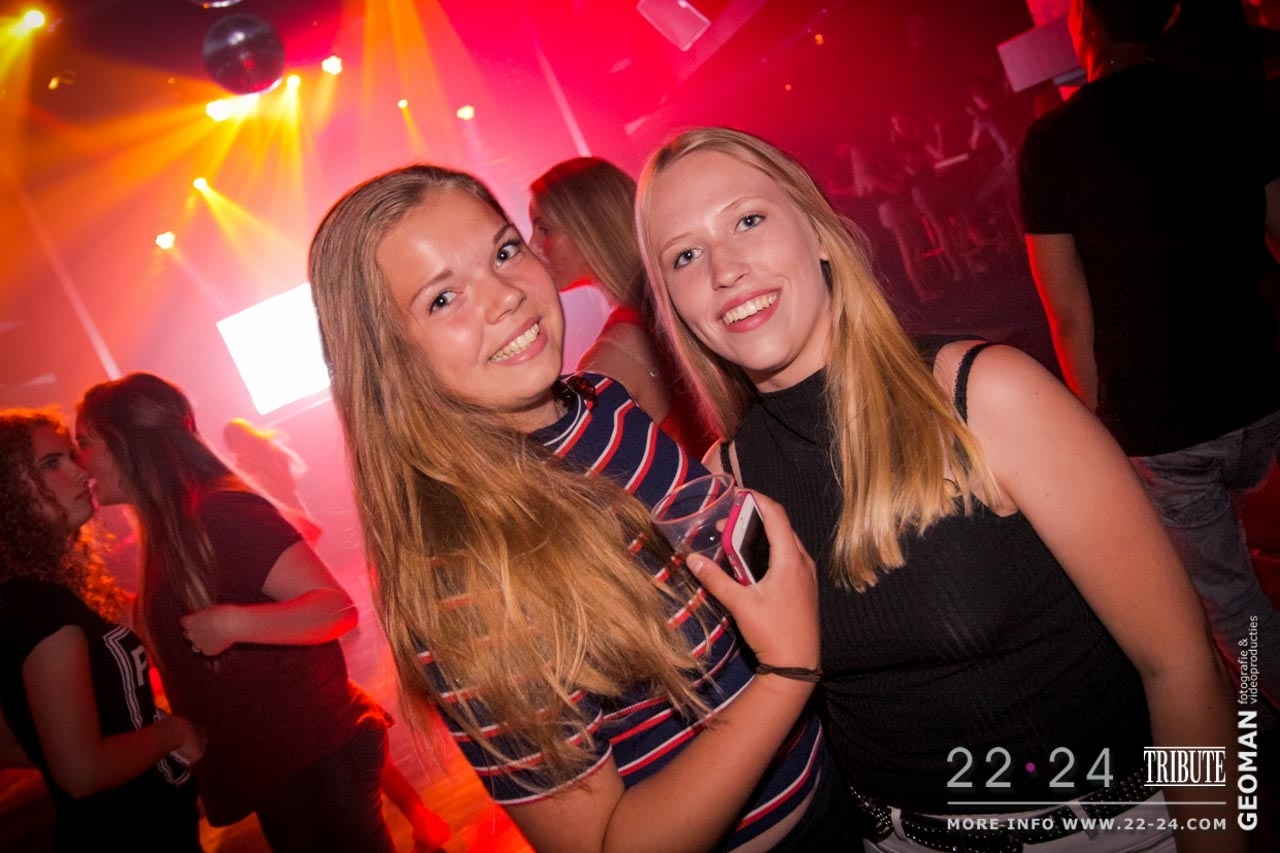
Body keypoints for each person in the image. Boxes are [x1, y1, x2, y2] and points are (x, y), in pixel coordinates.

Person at [637, 126, 1241, 853]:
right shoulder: (727, 486)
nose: (725, 270)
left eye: (748, 220)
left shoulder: (984, 396)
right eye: (685, 255)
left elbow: (1183, 664)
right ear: (674, 304)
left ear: (819, 233)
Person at [307, 163, 855, 852]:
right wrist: (787, 670)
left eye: (505, 251)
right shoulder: (466, 577)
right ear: (388, 358)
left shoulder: (603, 405)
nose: (506, 295)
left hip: (842, 782)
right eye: (444, 299)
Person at [1018, 0, 1280, 718]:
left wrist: (1098, 447)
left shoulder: (1054, 142)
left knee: (1231, 604)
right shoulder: (1226, 105)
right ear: (1164, 16)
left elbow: (1070, 317)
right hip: (1262, 393)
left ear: (1085, 23)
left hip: (1166, 428)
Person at [74, 375, 396, 853]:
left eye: (85, 442)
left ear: (129, 443)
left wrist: (235, 624)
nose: (80, 459)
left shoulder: (219, 511)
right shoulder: (170, 528)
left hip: (316, 753)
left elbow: (336, 608)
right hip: (284, 763)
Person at [0, 408, 204, 851]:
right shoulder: (42, 612)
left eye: (71, 456)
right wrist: (171, 733)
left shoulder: (25, 597)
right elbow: (81, 773)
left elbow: (12, 745)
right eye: (50, 464)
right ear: (9, 492)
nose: (80, 472)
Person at [530, 156, 714, 455]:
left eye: (544, 229)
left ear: (588, 227)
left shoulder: (607, 363)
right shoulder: (686, 300)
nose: (533, 246)